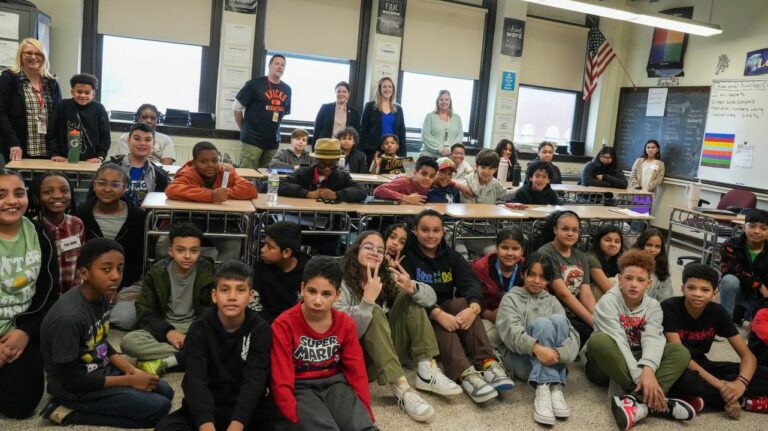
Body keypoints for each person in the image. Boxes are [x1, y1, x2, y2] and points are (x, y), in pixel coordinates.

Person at [39, 238, 174, 427]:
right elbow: (70, 381)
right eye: (106, 269)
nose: (115, 276)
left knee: (166, 391)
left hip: (98, 368)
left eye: (120, 268)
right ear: (84, 273)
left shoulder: (101, 294)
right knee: (159, 408)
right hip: (76, 388)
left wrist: (131, 369)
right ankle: (67, 412)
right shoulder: (68, 319)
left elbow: (100, 341)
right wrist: (129, 380)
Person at [336, 232, 462, 422]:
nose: (374, 252)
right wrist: (367, 302)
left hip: (386, 352)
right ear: (355, 250)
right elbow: (340, 331)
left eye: (380, 250)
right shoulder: (341, 281)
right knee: (375, 311)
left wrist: (413, 288)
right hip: (356, 359)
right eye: (368, 247)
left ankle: (427, 370)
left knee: (408, 297)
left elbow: (431, 298)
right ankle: (400, 386)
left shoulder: (387, 277)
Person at [155, 260, 292, 431]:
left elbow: (255, 381)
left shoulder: (261, 329)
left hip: (248, 407)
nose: (232, 296)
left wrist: (237, 424)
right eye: (225, 289)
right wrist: (206, 425)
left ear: (251, 296)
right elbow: (195, 381)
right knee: (166, 428)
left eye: (240, 290)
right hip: (209, 402)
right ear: (214, 295)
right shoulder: (199, 328)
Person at [401, 209, 514, 404]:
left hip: (444, 306)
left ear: (443, 232)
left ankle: (488, 363)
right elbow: (409, 298)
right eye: (425, 230)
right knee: (440, 323)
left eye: (436, 230)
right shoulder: (407, 258)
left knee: (463, 302)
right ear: (415, 231)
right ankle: (466, 374)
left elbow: (471, 284)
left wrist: (474, 309)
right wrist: (437, 314)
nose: (431, 235)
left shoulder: (450, 256)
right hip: (420, 315)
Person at [584, 249, 694, 430]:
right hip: (608, 364)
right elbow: (618, 340)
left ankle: (637, 403)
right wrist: (641, 378)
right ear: (619, 279)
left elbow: (653, 339)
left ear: (649, 283)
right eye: (629, 278)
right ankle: (657, 401)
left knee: (680, 351)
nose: (634, 284)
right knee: (600, 341)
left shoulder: (654, 306)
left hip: (638, 357)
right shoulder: (608, 301)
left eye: (640, 280)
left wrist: (649, 370)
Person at [271, 256, 377, 430]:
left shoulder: (345, 323)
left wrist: (364, 412)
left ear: (337, 295)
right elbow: (281, 379)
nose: (318, 300)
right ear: (302, 288)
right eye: (312, 291)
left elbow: (356, 371)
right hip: (300, 387)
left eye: (326, 294)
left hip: (335, 384)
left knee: (362, 427)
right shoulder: (283, 324)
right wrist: (293, 420)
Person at [664, 263, 768, 418]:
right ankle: (741, 401)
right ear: (682, 288)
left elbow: (748, 356)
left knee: (763, 374)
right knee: (683, 381)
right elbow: (682, 358)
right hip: (677, 365)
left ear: (715, 293)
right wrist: (721, 385)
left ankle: (704, 399)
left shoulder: (717, 312)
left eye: (705, 290)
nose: (697, 293)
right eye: (691, 288)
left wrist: (740, 384)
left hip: (702, 364)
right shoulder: (669, 307)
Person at [0, 169, 59, 419]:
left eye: (19, 193)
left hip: (19, 329)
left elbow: (49, 290)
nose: (12, 201)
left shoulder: (40, 234)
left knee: (21, 406)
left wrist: (24, 331)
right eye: (1, 195)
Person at [120, 222, 215, 376]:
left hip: (196, 326)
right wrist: (168, 333)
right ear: (170, 251)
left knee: (223, 338)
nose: (187, 256)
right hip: (164, 326)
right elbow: (145, 311)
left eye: (194, 250)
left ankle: (170, 360)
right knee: (128, 342)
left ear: (200, 251)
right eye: (180, 250)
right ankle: (192, 354)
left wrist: (193, 333)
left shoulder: (208, 273)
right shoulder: (156, 273)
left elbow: (213, 311)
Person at [496, 254, 580, 426]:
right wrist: (537, 348)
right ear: (522, 274)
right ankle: (544, 386)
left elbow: (572, 335)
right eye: (531, 274)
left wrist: (558, 352)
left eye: (543, 277)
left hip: (553, 359)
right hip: (522, 360)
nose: (536, 280)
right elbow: (512, 333)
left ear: (548, 281)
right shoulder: (510, 299)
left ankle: (554, 386)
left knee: (559, 321)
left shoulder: (553, 301)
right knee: (542, 323)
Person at [77, 163, 146, 329]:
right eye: (101, 183)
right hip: (90, 280)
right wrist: (99, 286)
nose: (107, 189)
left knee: (126, 319)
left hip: (125, 282)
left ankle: (96, 316)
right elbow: (79, 256)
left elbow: (137, 262)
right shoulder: (81, 213)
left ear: (125, 189)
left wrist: (114, 287)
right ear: (94, 185)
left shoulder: (138, 217)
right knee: (73, 311)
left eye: (115, 184)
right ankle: (95, 314)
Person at [165, 141, 257, 261]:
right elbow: (172, 190)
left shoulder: (226, 172)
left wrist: (224, 193)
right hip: (185, 219)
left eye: (215, 161)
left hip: (219, 220)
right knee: (163, 245)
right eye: (203, 162)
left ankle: (219, 278)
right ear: (194, 163)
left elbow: (250, 189)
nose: (210, 165)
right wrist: (211, 196)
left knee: (233, 245)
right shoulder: (188, 173)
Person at [536, 210, 595, 348]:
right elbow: (564, 295)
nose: (570, 234)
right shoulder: (546, 254)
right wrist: (593, 322)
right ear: (555, 230)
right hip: (555, 312)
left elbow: (586, 293)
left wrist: (599, 319)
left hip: (575, 310)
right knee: (589, 334)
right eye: (565, 229)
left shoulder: (580, 256)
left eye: (575, 230)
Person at [0, 38, 62, 161]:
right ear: (21, 56)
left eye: (38, 53)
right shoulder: (9, 78)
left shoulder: (52, 82)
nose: (34, 57)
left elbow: (59, 118)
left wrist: (56, 151)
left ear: (44, 56)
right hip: (17, 150)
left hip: (48, 152)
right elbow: (1, 113)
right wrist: (13, 143)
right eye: (29, 53)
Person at [27, 171, 84, 294]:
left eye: (64, 191)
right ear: (37, 197)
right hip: (42, 297)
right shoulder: (30, 228)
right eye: (48, 192)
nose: (58, 196)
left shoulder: (76, 224)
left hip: (71, 294)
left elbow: (81, 261)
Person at [234, 54, 291, 169]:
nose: (280, 67)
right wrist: (244, 128)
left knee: (267, 179)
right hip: (252, 141)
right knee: (247, 178)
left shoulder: (287, 89)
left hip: (272, 143)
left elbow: (282, 114)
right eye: (277, 63)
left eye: (283, 65)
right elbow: (237, 107)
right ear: (269, 66)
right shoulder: (254, 84)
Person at [471, 227, 525, 348]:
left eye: (515, 249)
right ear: (496, 249)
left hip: (520, 317)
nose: (510, 253)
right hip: (488, 317)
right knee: (488, 336)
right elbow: (472, 296)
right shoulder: (480, 268)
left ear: (522, 251)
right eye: (504, 248)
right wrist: (488, 314)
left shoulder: (528, 269)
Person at [253, 221, 310, 323]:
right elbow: (255, 305)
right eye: (264, 244)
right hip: (266, 325)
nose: (262, 249)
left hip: (297, 325)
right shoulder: (260, 267)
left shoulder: (309, 271)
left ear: (286, 252)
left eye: (269, 247)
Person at [278, 138, 366, 203]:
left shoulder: (342, 176)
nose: (327, 168)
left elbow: (362, 190)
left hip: (331, 219)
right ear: (316, 161)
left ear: (337, 161)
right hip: (302, 216)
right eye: (323, 164)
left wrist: (337, 195)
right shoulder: (302, 172)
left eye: (332, 165)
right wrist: (307, 193)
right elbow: (281, 185)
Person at [47, 73, 110, 164]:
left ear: (93, 95)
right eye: (79, 92)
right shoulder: (62, 106)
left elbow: (105, 136)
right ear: (72, 92)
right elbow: (52, 133)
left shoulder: (99, 109)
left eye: (87, 93)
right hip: (63, 160)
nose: (83, 95)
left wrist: (100, 156)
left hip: (90, 161)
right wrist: (54, 154)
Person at [719, 208, 768, 324]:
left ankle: (743, 316)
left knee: (758, 326)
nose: (757, 231)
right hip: (739, 292)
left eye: (763, 228)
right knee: (729, 280)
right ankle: (724, 323)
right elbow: (732, 270)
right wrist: (760, 285)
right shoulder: (730, 245)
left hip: (760, 297)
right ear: (743, 227)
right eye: (752, 226)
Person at [110, 122, 171, 206]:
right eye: (137, 139)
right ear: (128, 141)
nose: (142, 143)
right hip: (115, 215)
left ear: (153, 143)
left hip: (145, 217)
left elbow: (162, 205)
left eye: (147, 140)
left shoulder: (160, 175)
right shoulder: (110, 168)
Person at [360, 77, 406, 162]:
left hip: (393, 151)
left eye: (390, 87)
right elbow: (363, 131)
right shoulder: (370, 106)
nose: (387, 89)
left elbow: (402, 131)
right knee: (373, 174)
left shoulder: (398, 108)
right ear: (380, 89)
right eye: (384, 87)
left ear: (393, 89)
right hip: (373, 150)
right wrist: (361, 152)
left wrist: (403, 154)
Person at [373, 156, 438, 204]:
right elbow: (378, 190)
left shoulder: (429, 184)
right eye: (424, 174)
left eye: (431, 176)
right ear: (415, 172)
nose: (427, 178)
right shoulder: (404, 182)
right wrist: (406, 198)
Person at [631, 228, 673, 302]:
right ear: (641, 245)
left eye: (657, 246)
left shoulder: (662, 266)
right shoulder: (630, 264)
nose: (653, 250)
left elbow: (667, 298)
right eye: (649, 245)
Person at [420, 90, 463, 158]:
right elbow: (425, 136)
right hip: (430, 155)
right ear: (437, 101)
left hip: (449, 156)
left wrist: (450, 149)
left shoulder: (457, 118)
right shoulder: (430, 116)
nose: (444, 102)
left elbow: (459, 136)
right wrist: (439, 149)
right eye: (441, 99)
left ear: (450, 102)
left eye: (446, 99)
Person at [588, 225, 624, 301]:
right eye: (607, 240)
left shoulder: (620, 259)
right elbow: (609, 290)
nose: (612, 244)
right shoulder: (591, 258)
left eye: (617, 241)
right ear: (598, 241)